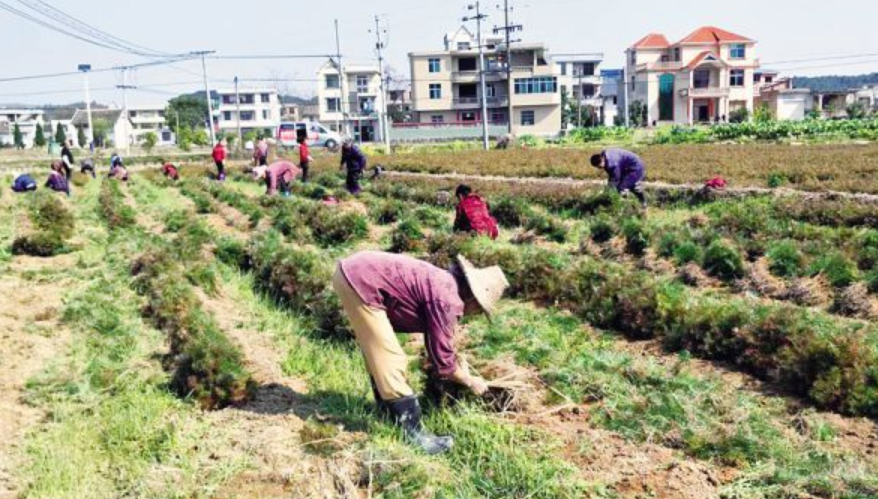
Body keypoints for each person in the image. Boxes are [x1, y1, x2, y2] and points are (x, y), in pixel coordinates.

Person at [332, 252, 509, 454]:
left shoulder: (445, 285)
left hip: (352, 273)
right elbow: (442, 362)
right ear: (473, 298)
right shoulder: (448, 300)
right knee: (391, 360)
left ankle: (387, 415)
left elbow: (436, 343)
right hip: (361, 280)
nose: (474, 314)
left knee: (378, 354)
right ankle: (415, 436)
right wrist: (469, 380)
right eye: (478, 310)